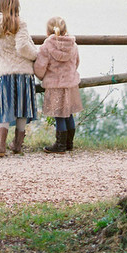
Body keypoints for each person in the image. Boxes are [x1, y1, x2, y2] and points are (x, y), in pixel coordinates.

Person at [0, 0, 38, 157]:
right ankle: (17, 145)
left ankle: (1, 146)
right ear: (15, 5)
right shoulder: (19, 23)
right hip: (23, 71)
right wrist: (35, 55)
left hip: (6, 72)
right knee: (22, 108)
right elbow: (22, 46)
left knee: (5, 109)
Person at [34, 16, 82, 153]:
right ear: (65, 29)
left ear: (48, 32)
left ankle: (60, 145)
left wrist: (43, 77)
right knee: (69, 113)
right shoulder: (73, 45)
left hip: (55, 85)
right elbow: (76, 62)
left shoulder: (46, 47)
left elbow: (40, 67)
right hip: (70, 84)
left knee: (59, 114)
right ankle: (69, 144)